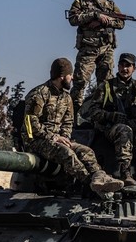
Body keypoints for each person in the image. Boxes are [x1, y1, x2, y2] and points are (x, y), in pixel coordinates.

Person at [21, 57, 125, 196]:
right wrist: (53, 137)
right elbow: (30, 123)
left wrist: (64, 137)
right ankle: (91, 184)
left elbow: (68, 122)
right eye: (70, 75)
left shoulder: (66, 97)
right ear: (62, 76)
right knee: (68, 154)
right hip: (36, 141)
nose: (72, 79)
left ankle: (100, 177)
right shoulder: (39, 94)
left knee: (86, 151)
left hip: (59, 140)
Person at [80, 53, 136, 186]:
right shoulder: (106, 87)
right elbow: (91, 111)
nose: (124, 69)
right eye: (122, 65)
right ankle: (125, 172)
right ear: (118, 67)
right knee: (124, 130)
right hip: (110, 128)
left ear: (134, 68)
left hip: (134, 126)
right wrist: (111, 116)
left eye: (128, 66)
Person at [66, 0, 126, 117]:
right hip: (88, 49)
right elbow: (73, 19)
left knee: (106, 85)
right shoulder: (81, 2)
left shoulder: (110, 5)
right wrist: (94, 15)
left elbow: (121, 23)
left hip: (106, 49)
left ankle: (102, 114)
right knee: (80, 83)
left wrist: (105, 22)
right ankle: (73, 117)